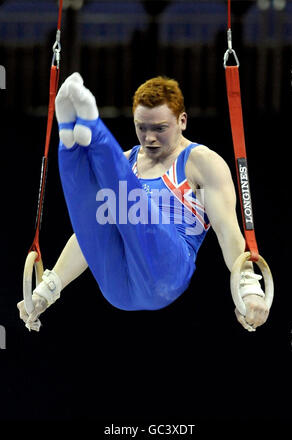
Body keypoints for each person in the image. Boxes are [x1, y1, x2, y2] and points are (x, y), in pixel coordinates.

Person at [18, 72, 269, 332]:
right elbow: (88, 235)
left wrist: (248, 286)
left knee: (131, 202)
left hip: (167, 273)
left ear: (182, 121)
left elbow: (228, 231)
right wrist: (46, 291)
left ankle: (92, 127)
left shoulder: (201, 162)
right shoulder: (126, 161)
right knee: (93, 211)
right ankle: (70, 140)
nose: (149, 138)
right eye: (142, 127)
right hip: (117, 289)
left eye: (160, 128)